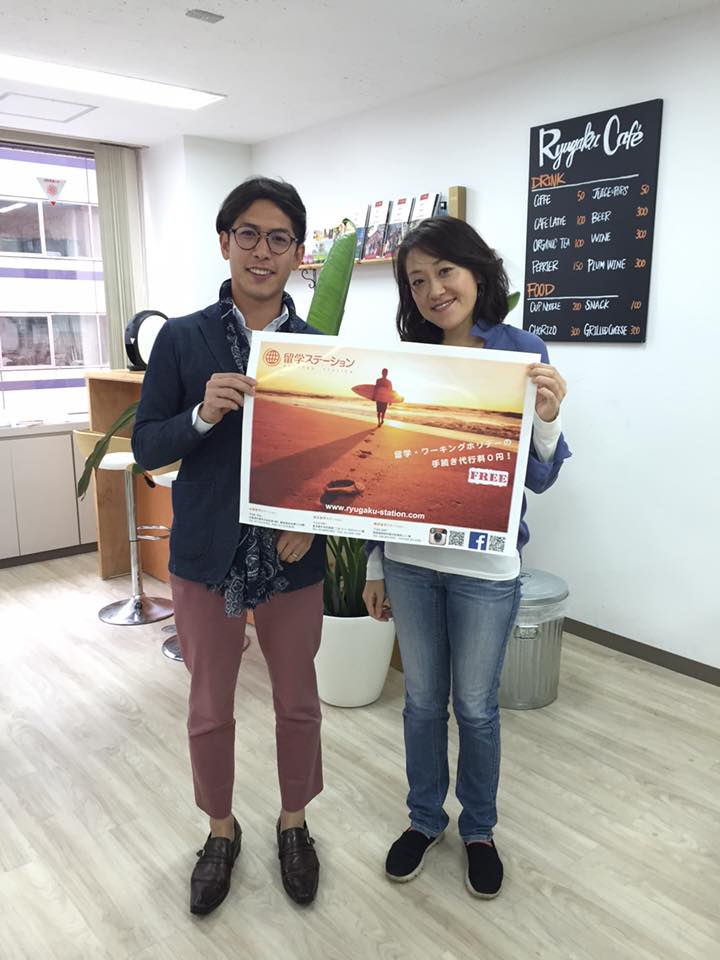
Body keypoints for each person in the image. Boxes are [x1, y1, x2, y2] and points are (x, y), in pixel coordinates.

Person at [132, 177, 326, 914]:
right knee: (210, 706)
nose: (262, 251)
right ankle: (220, 830)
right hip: (207, 553)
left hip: (291, 555)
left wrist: (312, 518)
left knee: (298, 701)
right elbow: (148, 445)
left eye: (279, 238)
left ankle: (293, 821)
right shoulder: (183, 339)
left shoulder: (318, 352)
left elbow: (340, 460)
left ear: (297, 253)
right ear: (225, 243)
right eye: (248, 234)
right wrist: (201, 417)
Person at [362, 217, 570, 899]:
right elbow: (384, 473)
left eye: (444, 271)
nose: (433, 290)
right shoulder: (408, 360)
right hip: (410, 562)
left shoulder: (521, 354)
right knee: (422, 702)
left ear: (478, 272)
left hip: (486, 569)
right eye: (417, 280)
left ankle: (479, 829)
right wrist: (374, 564)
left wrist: (547, 419)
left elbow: (538, 479)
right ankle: (425, 819)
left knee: (476, 708)